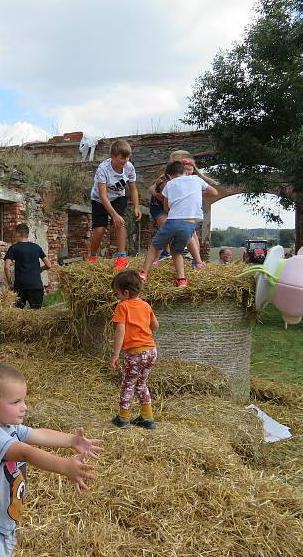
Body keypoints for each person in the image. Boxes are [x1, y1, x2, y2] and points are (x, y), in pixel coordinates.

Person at [0, 362, 104, 556]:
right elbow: (26, 453)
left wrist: (72, 440)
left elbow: (39, 434)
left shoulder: (8, 427)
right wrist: (65, 466)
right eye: (15, 402)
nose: (24, 407)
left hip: (5, 523)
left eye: (24, 400)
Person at [140, 161, 218, 287]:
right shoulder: (197, 180)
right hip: (190, 225)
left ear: (169, 176)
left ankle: (143, 273)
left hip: (173, 222)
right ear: (185, 172)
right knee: (177, 252)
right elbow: (214, 192)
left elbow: (166, 208)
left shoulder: (169, 184)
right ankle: (182, 280)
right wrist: (198, 192)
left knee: (154, 246)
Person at [109, 271, 160, 429]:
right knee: (141, 384)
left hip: (135, 353)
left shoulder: (123, 306)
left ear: (125, 292)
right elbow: (155, 326)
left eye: (116, 293)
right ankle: (147, 418)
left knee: (128, 384)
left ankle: (123, 418)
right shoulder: (145, 305)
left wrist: (116, 354)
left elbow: (120, 331)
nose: (116, 296)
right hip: (151, 351)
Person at [88, 140, 141, 270]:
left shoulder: (129, 167)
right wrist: (113, 214)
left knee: (119, 223)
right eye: (122, 157)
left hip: (118, 197)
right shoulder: (103, 169)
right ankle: (93, 256)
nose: (125, 160)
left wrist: (136, 206)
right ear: (113, 156)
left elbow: (133, 188)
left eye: (127, 157)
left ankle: (122, 258)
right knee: (100, 230)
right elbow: (103, 195)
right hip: (100, 199)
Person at [171, 151, 217, 269]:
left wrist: (196, 192)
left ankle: (197, 261)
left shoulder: (193, 180)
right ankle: (197, 261)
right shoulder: (175, 178)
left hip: (186, 211)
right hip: (185, 211)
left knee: (190, 234)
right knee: (192, 234)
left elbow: (213, 192)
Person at [3, 224, 52, 309]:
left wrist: (10, 283)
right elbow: (49, 265)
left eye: (15, 234)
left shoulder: (14, 248)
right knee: (36, 314)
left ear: (18, 234)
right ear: (27, 234)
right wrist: (40, 269)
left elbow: (6, 267)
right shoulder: (36, 247)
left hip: (20, 286)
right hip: (36, 285)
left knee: (17, 314)